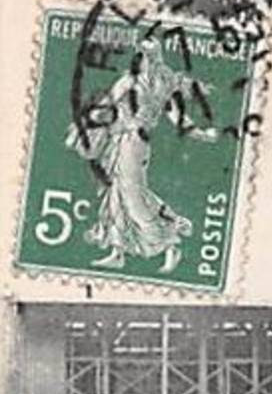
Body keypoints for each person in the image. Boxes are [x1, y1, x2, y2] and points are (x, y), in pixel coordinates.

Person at [66, 39, 218, 274]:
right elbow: (110, 106)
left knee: (132, 195)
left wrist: (201, 134)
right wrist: (201, 134)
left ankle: (170, 242)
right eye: (145, 55)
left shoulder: (142, 82)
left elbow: (110, 106)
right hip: (123, 141)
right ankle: (118, 251)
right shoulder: (151, 81)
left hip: (132, 142)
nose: (145, 59)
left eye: (147, 54)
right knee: (116, 192)